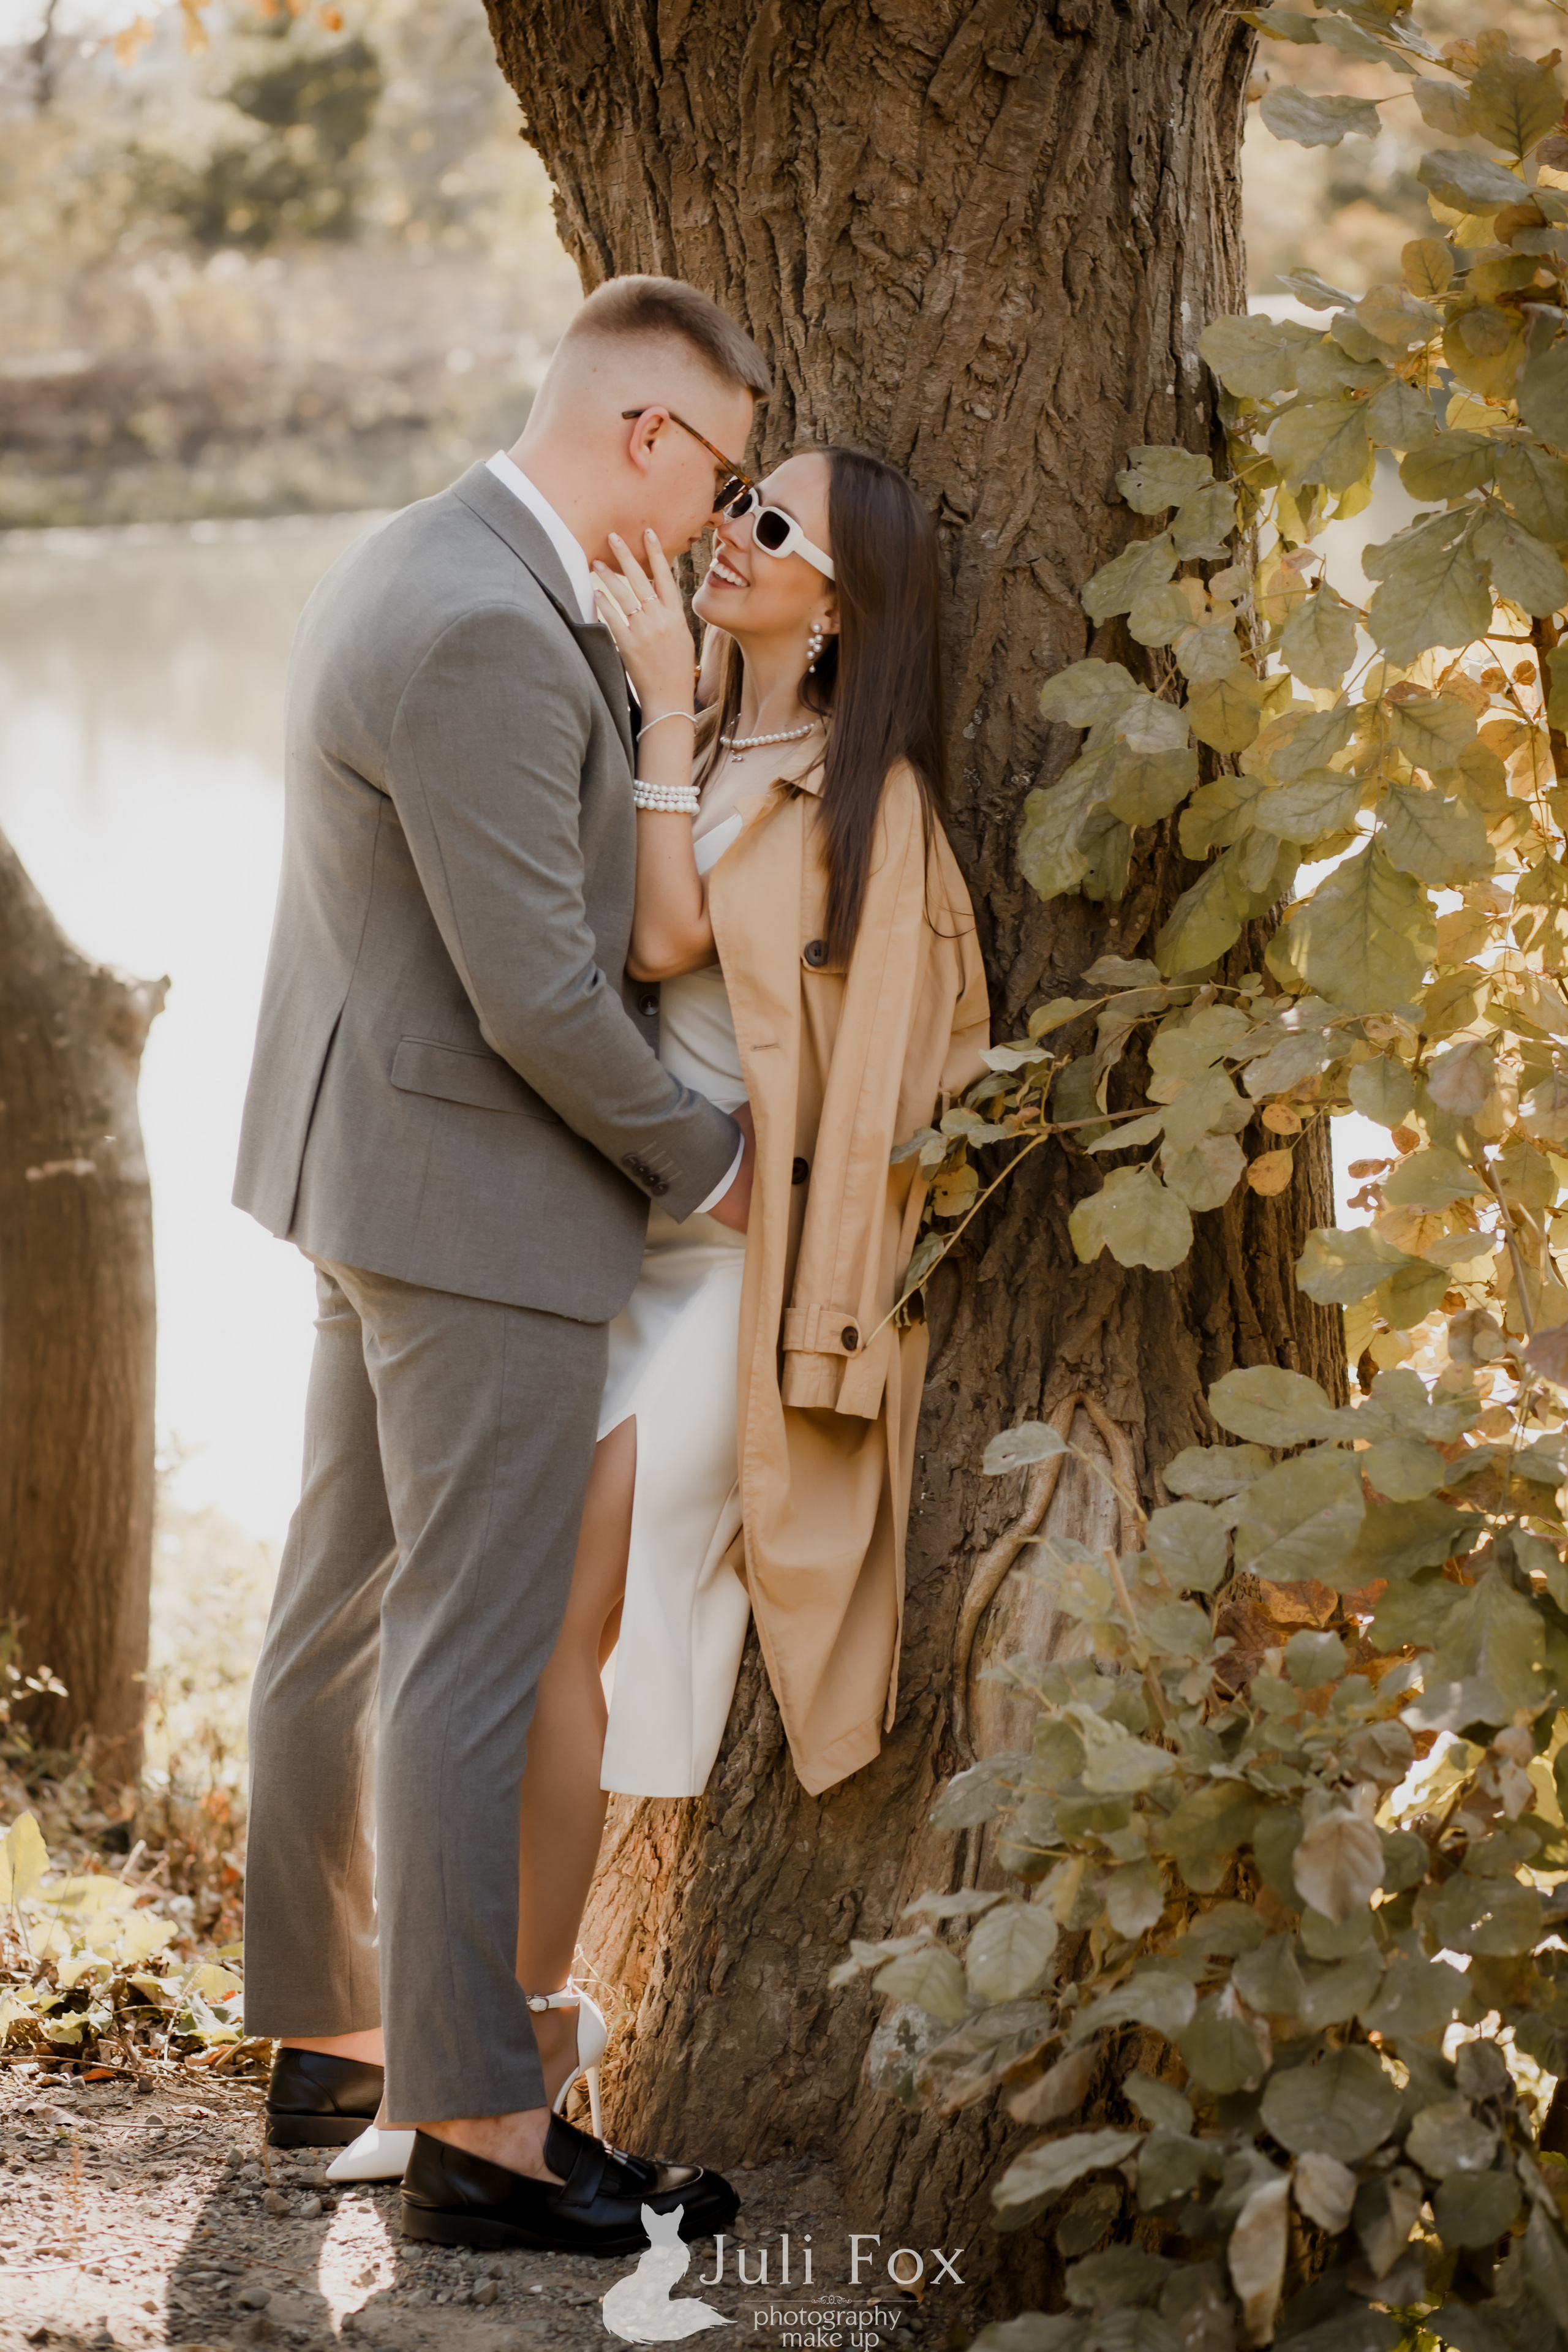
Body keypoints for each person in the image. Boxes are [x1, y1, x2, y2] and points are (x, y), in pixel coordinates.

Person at [326, 439, 990, 2188]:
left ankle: (503, 2056)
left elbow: (670, 940)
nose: (733, 533)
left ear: (842, 605)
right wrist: (659, 714)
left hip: (739, 1272)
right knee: (529, 1633)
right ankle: (497, 2052)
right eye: (738, 498)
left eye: (776, 527)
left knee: (565, 1616)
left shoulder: (869, 795)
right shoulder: (665, 721)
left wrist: (668, 718)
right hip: (612, 1239)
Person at [234, 276, 775, 2256]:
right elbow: (547, 994)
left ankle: (333, 2032)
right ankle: (479, 2125)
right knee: (472, 1648)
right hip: (471, 1204)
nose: (723, 524)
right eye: (720, 476)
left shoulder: (426, 548)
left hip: (364, 1163)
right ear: (648, 437)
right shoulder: (483, 624)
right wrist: (707, 1156)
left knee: (344, 1603)